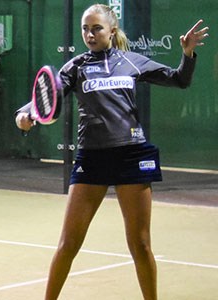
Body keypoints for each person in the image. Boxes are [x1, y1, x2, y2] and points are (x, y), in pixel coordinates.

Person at [15, 5, 208, 299]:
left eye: (96, 28)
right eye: (85, 29)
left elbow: (180, 79)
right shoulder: (75, 66)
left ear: (112, 31)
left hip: (132, 155)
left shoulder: (132, 62)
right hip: (92, 158)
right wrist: (24, 115)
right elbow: (45, 96)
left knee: (141, 245)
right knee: (68, 244)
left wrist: (188, 53)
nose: (90, 34)